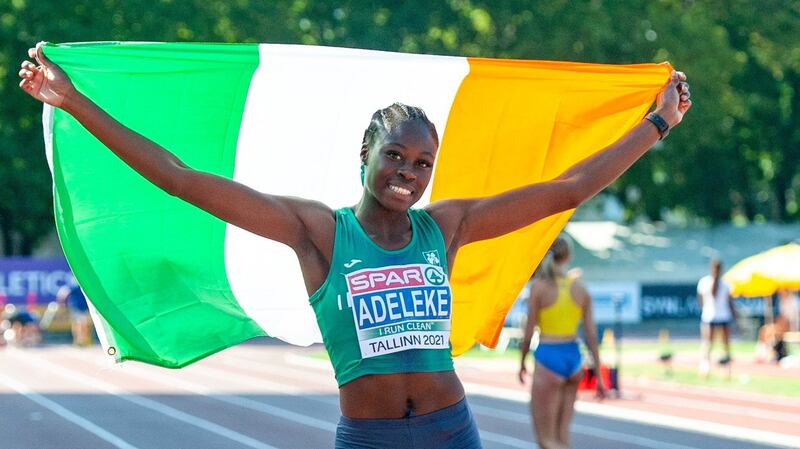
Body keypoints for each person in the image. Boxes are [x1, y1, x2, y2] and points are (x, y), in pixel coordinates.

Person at [19, 42, 690, 448]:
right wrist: (73, 102)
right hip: (369, 437)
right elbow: (182, 179)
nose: (408, 172)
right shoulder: (319, 232)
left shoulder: (445, 226)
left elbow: (564, 189)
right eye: (395, 155)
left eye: (423, 163)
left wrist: (657, 122)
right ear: (364, 154)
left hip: (451, 428)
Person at [517, 236, 604, 449]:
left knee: (546, 440)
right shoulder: (580, 289)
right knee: (562, 438)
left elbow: (528, 333)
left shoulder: (538, 288)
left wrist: (522, 362)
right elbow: (591, 335)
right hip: (574, 358)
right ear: (569, 256)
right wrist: (599, 375)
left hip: (548, 356)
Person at [696, 258, 737, 376]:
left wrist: (734, 315)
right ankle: (705, 366)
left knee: (725, 344)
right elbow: (701, 300)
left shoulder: (725, 284)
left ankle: (726, 368)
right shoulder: (704, 282)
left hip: (724, 316)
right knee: (707, 343)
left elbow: (730, 302)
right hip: (709, 317)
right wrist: (705, 310)